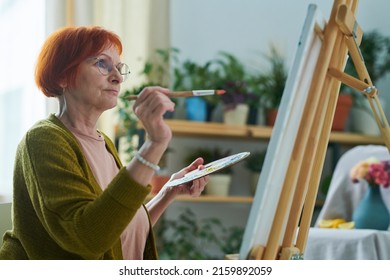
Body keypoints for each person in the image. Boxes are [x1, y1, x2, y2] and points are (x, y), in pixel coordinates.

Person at [0, 26, 208, 260]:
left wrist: (167, 193)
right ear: (62, 76)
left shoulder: (104, 143)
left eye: (119, 68)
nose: (118, 77)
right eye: (102, 63)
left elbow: (115, 229)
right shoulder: (43, 139)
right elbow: (88, 238)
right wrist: (154, 143)